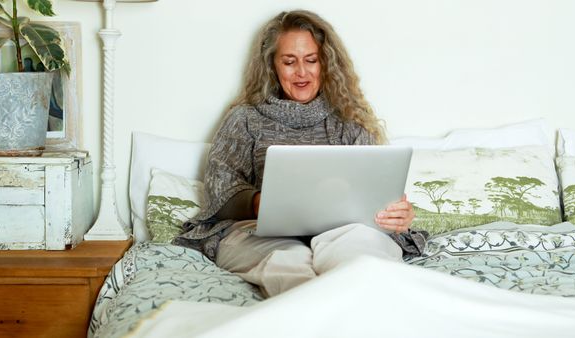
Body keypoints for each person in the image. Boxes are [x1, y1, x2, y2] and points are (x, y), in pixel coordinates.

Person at [173, 9, 423, 297]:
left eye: (311, 60)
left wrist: (396, 214)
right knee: (290, 269)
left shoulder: (349, 119)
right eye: (289, 62)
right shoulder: (244, 118)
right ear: (272, 66)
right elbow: (221, 187)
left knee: (361, 262)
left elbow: (373, 190)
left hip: (344, 232)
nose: (301, 72)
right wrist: (258, 202)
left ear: (326, 63)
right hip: (261, 235)